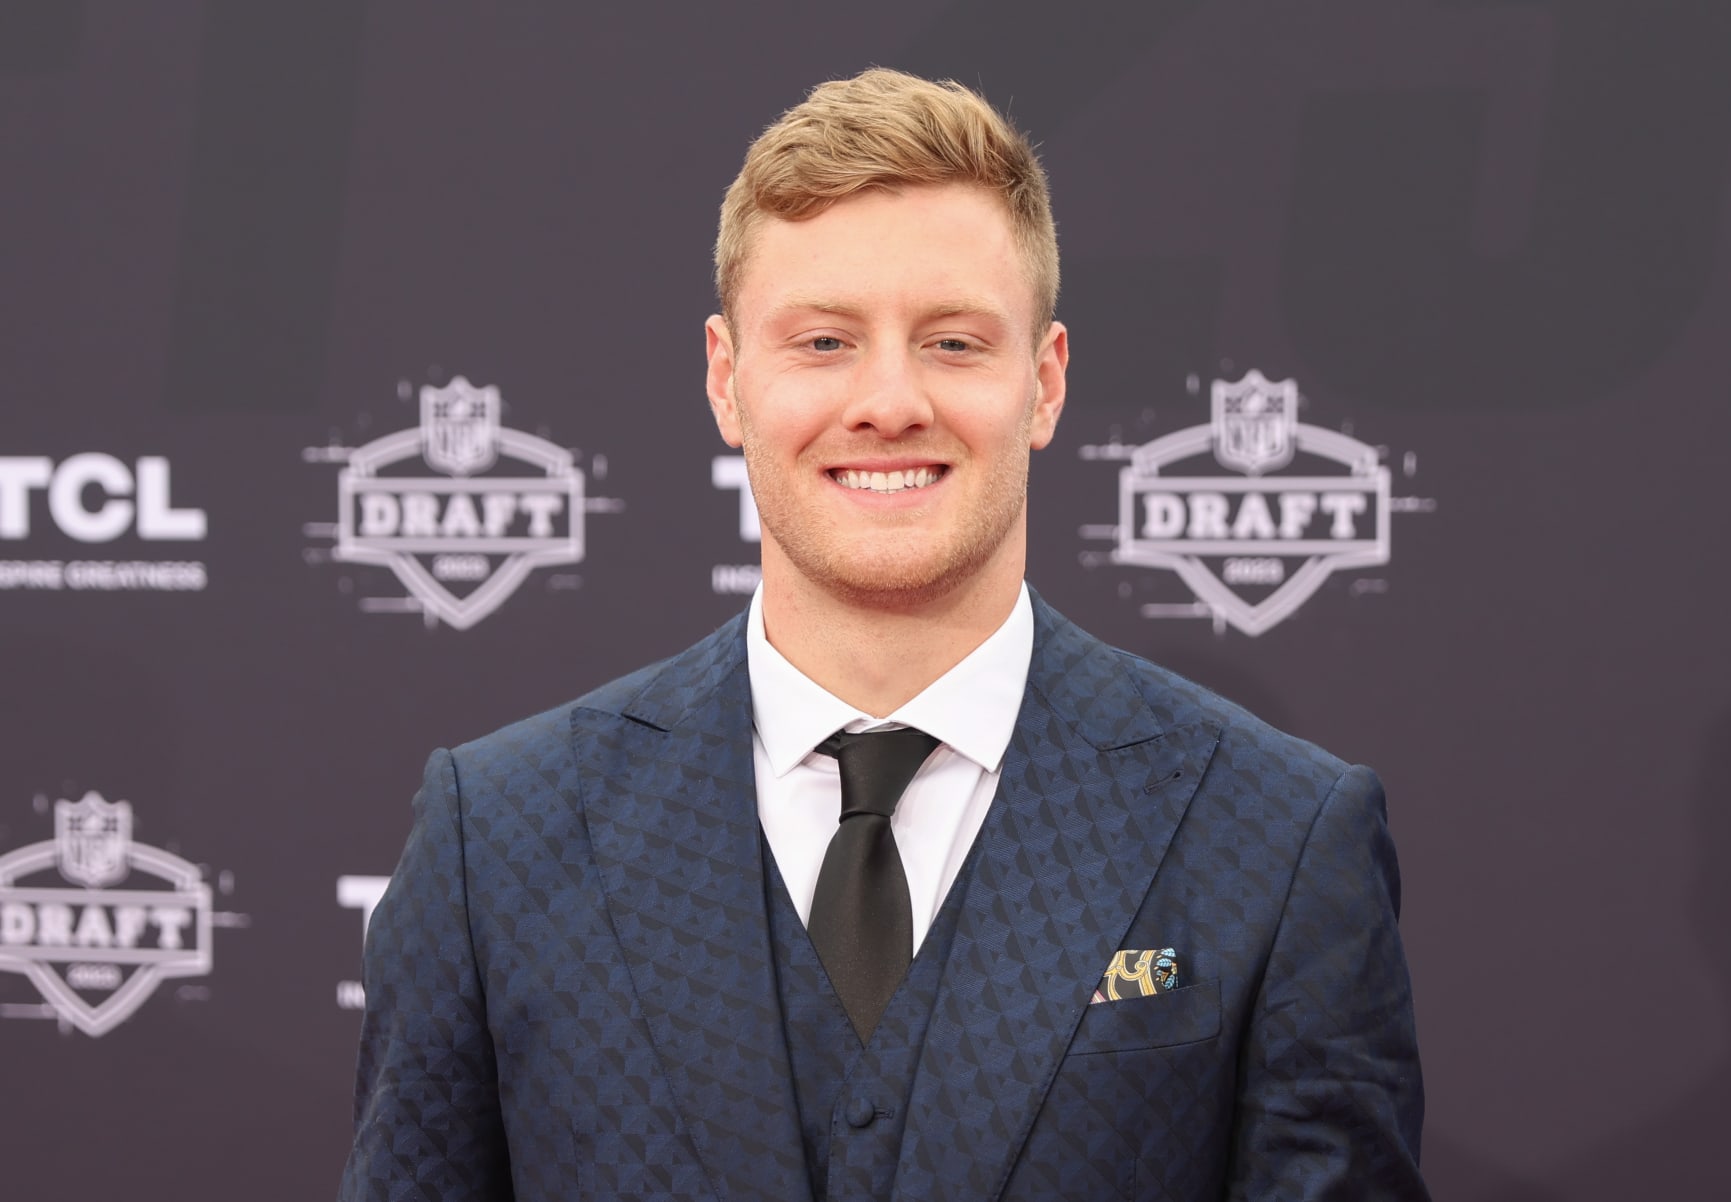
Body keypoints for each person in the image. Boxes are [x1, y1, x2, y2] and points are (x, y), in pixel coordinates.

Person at [342, 67, 1428, 1201]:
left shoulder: (1277, 833)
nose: (889, 400)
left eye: (954, 343)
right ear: (727, 378)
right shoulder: (500, 837)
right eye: (823, 342)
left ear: (1045, 382)